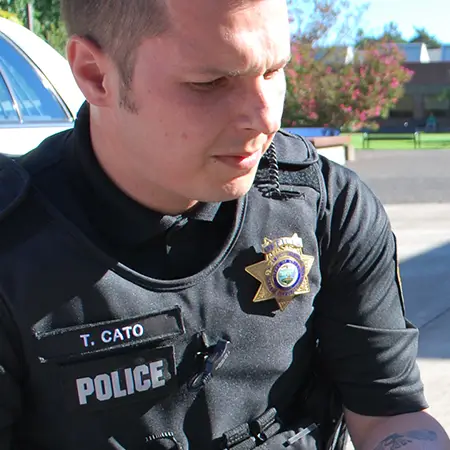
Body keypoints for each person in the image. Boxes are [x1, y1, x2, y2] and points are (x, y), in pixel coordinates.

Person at [0, 1, 448, 449]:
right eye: (210, 83)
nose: (266, 117)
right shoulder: (16, 247)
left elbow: (389, 411)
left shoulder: (325, 207)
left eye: (273, 72)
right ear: (96, 74)